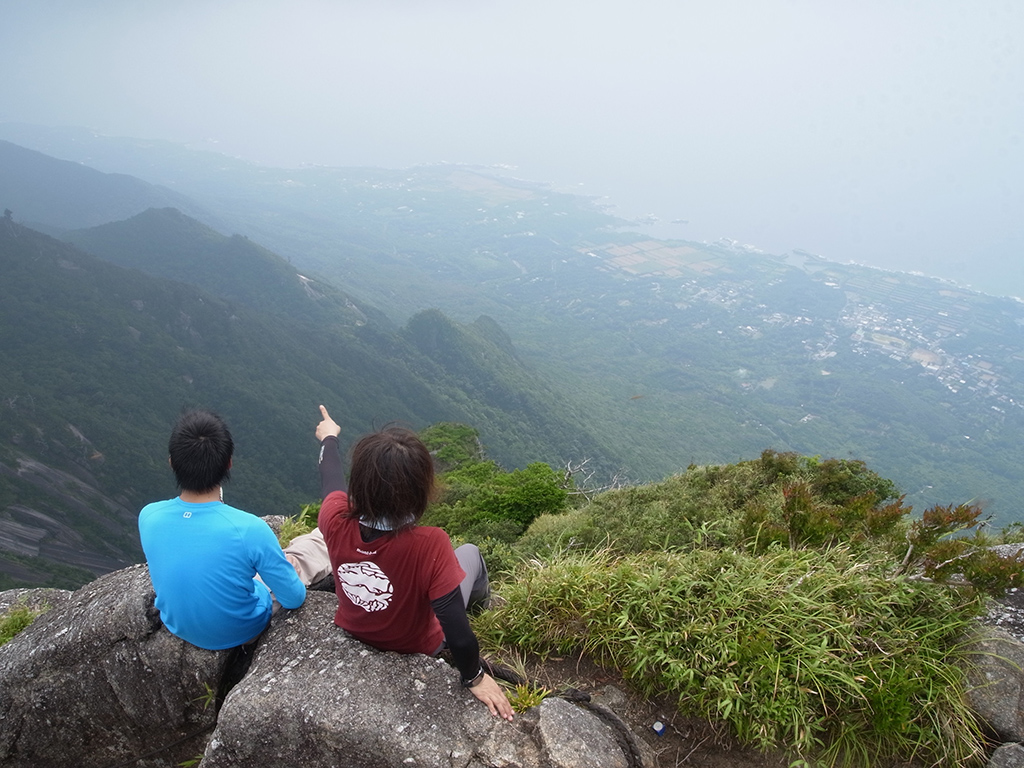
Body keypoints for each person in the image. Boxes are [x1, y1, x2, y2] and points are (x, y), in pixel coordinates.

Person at [314, 405, 514, 721]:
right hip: (418, 646)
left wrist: (329, 439)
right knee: (471, 553)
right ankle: (482, 607)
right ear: (420, 490)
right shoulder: (429, 543)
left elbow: (331, 479)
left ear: (361, 484)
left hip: (355, 628)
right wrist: (474, 676)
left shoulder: (334, 518)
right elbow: (456, 631)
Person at [138, 409, 306, 650]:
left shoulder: (149, 516)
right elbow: (294, 599)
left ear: (172, 463)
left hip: (176, 625)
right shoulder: (249, 529)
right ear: (228, 464)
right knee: (296, 560)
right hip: (242, 630)